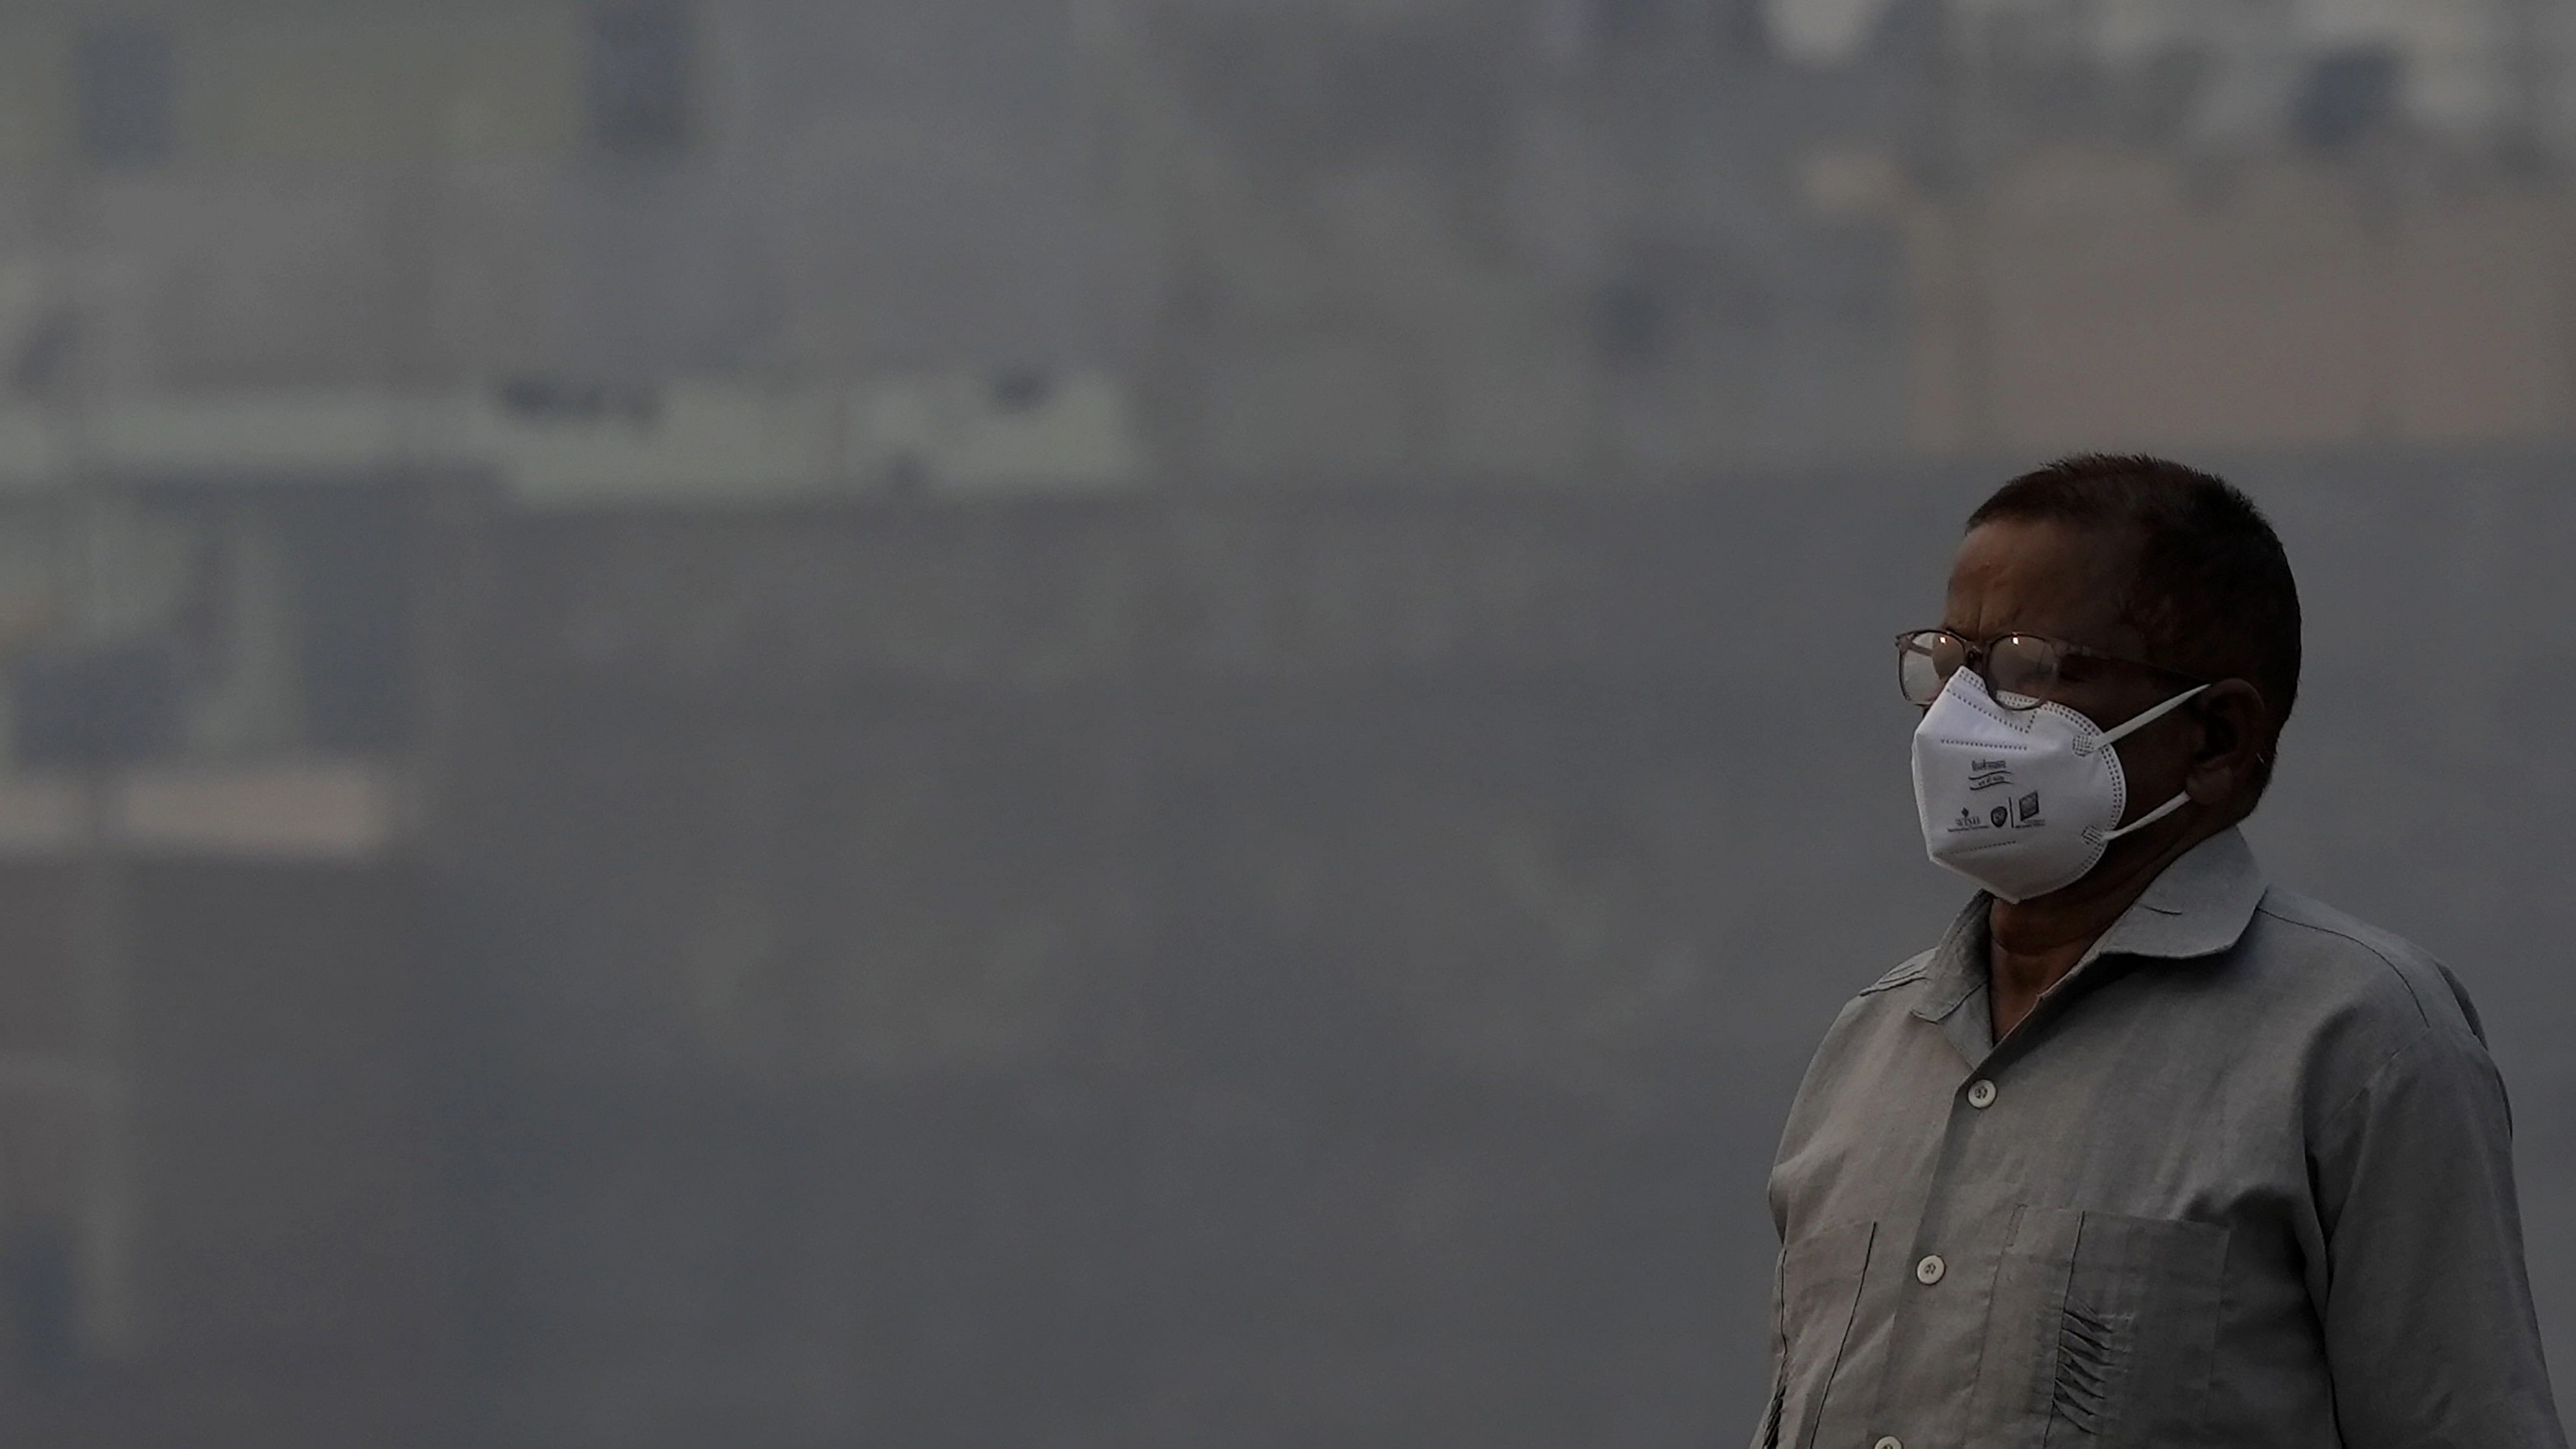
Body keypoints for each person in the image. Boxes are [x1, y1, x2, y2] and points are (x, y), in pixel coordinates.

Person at [1755, 455, 2566, 1449]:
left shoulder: (2361, 1041)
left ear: (2216, 736)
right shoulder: (1868, 1051)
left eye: (2025, 670)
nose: (1954, 721)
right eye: (1944, 665)